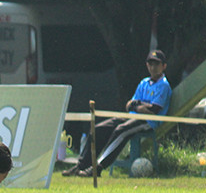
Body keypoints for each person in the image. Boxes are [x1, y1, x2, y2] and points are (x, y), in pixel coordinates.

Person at [63, 49, 172, 177]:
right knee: (98, 129)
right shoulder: (144, 83)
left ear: (164, 66)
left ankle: (98, 167)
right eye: (151, 64)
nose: (153, 67)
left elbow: (153, 111)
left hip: (148, 122)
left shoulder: (163, 85)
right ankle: (81, 165)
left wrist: (137, 105)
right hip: (132, 116)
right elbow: (129, 105)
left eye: (157, 64)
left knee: (121, 130)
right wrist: (140, 106)